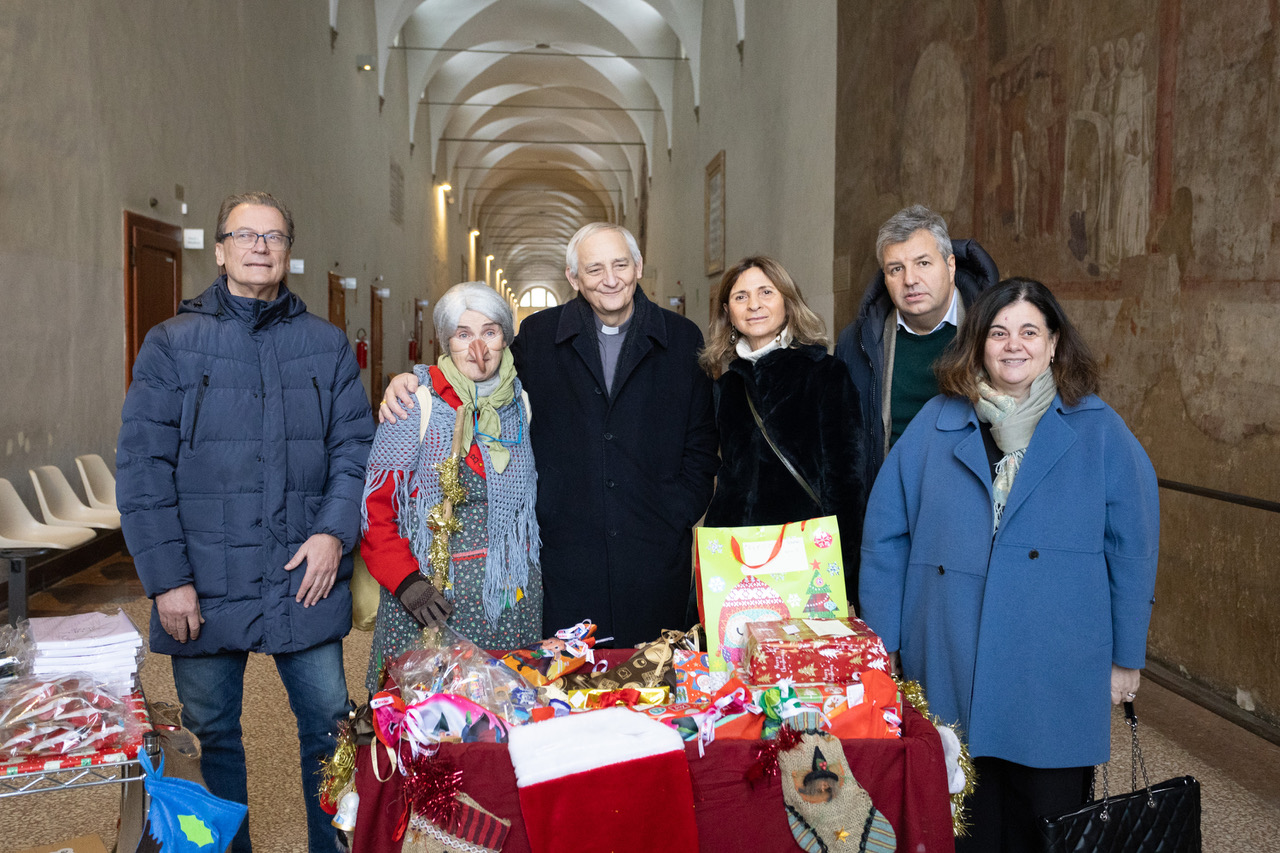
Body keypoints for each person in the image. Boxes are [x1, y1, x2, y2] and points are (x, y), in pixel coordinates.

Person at [859, 278, 1160, 852]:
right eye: (998, 332)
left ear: (1053, 345)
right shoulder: (934, 424)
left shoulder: (1098, 431)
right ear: (977, 345)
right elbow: (885, 536)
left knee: (1046, 822)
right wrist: (882, 644)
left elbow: (1134, 546)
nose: (1013, 345)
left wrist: (1126, 658)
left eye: (1029, 331)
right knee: (961, 817)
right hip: (949, 651)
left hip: (1056, 662)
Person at [117, 192, 374, 853]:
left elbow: (355, 452)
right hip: (203, 580)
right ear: (222, 248)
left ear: (290, 252)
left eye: (275, 236)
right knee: (212, 735)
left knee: (330, 729)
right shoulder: (171, 344)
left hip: (303, 575)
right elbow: (142, 470)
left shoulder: (326, 345)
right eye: (247, 234)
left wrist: (333, 532)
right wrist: (166, 578)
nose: (261, 246)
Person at [382, 223, 718, 648]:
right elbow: (481, 377)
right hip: (565, 548)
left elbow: (702, 444)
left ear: (638, 267)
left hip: (652, 547)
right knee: (565, 679)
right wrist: (417, 381)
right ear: (574, 278)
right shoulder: (540, 336)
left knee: (656, 676)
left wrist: (677, 510)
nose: (610, 279)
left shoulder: (682, 338)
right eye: (594, 269)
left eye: (620, 265)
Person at [360, 282, 541, 691]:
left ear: (505, 339)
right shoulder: (413, 405)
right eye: (463, 334)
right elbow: (376, 512)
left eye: (490, 332)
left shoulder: (520, 403)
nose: (478, 346)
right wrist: (408, 585)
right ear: (446, 342)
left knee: (505, 716)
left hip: (511, 605)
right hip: (431, 605)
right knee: (431, 729)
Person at [699, 256, 866, 593]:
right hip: (736, 559)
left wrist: (844, 573)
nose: (754, 305)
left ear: (788, 304)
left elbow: (846, 482)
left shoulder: (825, 373)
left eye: (766, 292)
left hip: (802, 558)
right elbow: (728, 481)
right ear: (728, 312)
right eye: (741, 297)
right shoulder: (726, 387)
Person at [835, 204, 999, 487]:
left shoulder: (997, 330)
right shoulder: (856, 343)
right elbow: (843, 444)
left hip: (974, 501)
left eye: (923, 263)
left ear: (950, 266)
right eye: (896, 269)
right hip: (890, 502)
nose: (909, 280)